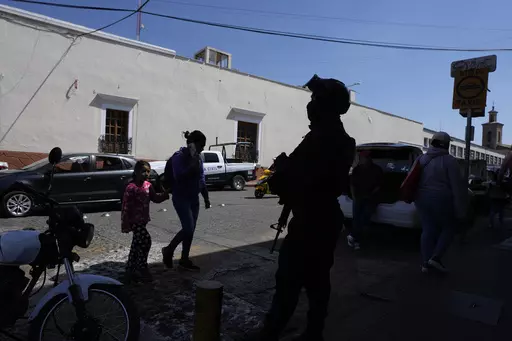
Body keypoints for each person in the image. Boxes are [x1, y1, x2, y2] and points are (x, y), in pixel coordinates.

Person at [259, 74, 356, 341]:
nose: (310, 103)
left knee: (290, 281)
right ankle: (313, 333)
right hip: (319, 217)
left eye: (315, 98)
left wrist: (282, 173)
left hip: (313, 219)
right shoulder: (328, 137)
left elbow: (307, 180)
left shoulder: (325, 138)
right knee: (317, 281)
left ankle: (273, 332)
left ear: (326, 104)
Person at [415, 131, 467, 274]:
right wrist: (460, 208)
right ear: (447, 145)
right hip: (442, 199)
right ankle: (436, 257)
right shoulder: (450, 161)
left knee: (427, 229)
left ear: (432, 142)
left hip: (421, 199)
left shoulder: (421, 159)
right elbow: (457, 187)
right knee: (449, 227)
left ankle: (425, 263)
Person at [162, 130, 211, 271]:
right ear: (192, 144)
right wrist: (192, 165)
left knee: (191, 230)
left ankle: (184, 259)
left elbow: (201, 179)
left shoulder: (199, 158)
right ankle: (169, 250)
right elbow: (179, 176)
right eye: (200, 145)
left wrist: (206, 197)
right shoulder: (179, 157)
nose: (202, 149)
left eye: (204, 146)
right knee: (188, 228)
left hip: (194, 198)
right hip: (181, 197)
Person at [121, 161, 169, 283]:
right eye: (143, 171)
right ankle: (141, 267)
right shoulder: (131, 188)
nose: (146, 174)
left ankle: (130, 270)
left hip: (143, 221)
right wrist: (125, 223)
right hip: (134, 222)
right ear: (136, 172)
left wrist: (164, 195)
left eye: (148, 171)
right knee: (146, 240)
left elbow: (155, 198)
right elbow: (126, 207)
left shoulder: (148, 186)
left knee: (136, 245)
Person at [347, 150, 383, 250]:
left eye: (366, 157)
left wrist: (371, 195)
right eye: (363, 157)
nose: (364, 159)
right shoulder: (356, 170)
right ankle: (356, 240)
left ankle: (353, 237)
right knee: (356, 219)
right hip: (358, 197)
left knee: (363, 218)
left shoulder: (377, 170)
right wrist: (354, 196)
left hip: (370, 199)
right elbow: (352, 185)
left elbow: (379, 186)